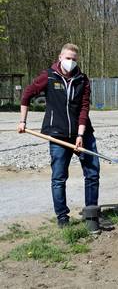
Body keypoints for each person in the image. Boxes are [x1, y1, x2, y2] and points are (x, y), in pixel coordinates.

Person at [17, 43, 100, 228]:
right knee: (59, 177)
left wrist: (80, 134)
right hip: (57, 135)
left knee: (93, 172)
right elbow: (27, 95)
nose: (71, 62)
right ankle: (62, 216)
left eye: (74, 59)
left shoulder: (82, 79)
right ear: (60, 57)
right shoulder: (49, 76)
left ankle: (91, 213)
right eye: (68, 58)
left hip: (83, 133)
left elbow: (84, 108)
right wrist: (23, 121)